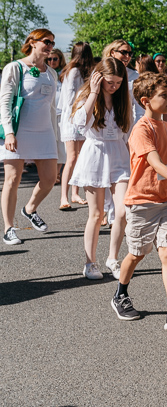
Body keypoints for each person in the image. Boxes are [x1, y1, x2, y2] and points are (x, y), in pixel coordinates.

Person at [110, 71, 167, 330]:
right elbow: (155, 162)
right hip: (142, 201)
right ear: (145, 101)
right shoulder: (141, 129)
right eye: (164, 96)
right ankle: (120, 294)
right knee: (137, 253)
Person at [69, 58, 133, 278]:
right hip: (94, 155)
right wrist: (95, 92)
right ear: (98, 77)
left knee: (123, 210)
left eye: (117, 82)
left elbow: (127, 131)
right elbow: (79, 124)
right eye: (109, 82)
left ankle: (113, 258)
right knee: (96, 214)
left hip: (118, 155)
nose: (113, 86)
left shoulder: (123, 98)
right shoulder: (87, 95)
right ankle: (90, 262)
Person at [1, 29, 62, 246]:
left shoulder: (51, 72)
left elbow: (53, 107)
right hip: (18, 131)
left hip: (45, 131)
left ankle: (29, 209)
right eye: (46, 41)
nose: (50, 46)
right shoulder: (15, 67)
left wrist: (56, 136)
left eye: (52, 43)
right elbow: (5, 102)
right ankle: (8, 228)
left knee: (49, 179)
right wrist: (9, 131)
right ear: (32, 42)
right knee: (12, 179)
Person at [58, 41, 95, 210]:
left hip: (82, 117)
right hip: (72, 119)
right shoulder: (73, 72)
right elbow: (70, 100)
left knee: (80, 157)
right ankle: (63, 196)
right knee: (71, 158)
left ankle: (75, 193)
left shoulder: (84, 71)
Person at [104, 40, 143, 126]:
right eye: (124, 52)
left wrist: (137, 129)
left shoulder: (135, 76)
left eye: (130, 54)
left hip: (125, 127)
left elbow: (139, 107)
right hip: (102, 126)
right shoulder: (100, 72)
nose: (127, 56)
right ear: (112, 53)